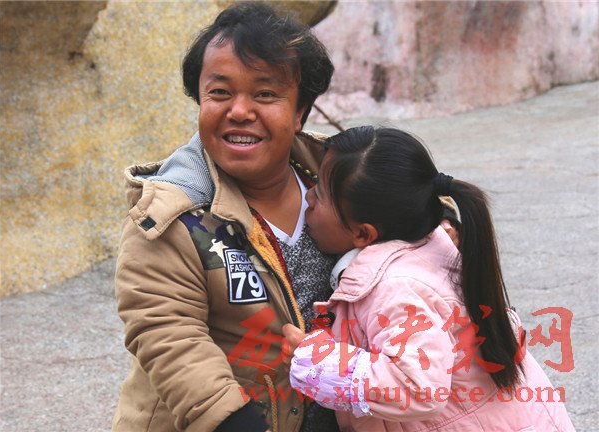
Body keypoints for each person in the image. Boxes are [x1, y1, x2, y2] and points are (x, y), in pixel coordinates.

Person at [112, 3, 340, 432]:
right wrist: (231, 421)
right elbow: (169, 336)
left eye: (265, 94)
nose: (239, 111)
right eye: (220, 93)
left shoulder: (339, 181)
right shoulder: (168, 214)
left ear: (300, 113)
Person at [284, 126, 575, 431]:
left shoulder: (397, 288)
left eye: (320, 193)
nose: (309, 198)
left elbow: (417, 387)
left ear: (363, 233)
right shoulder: (432, 245)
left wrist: (319, 362)